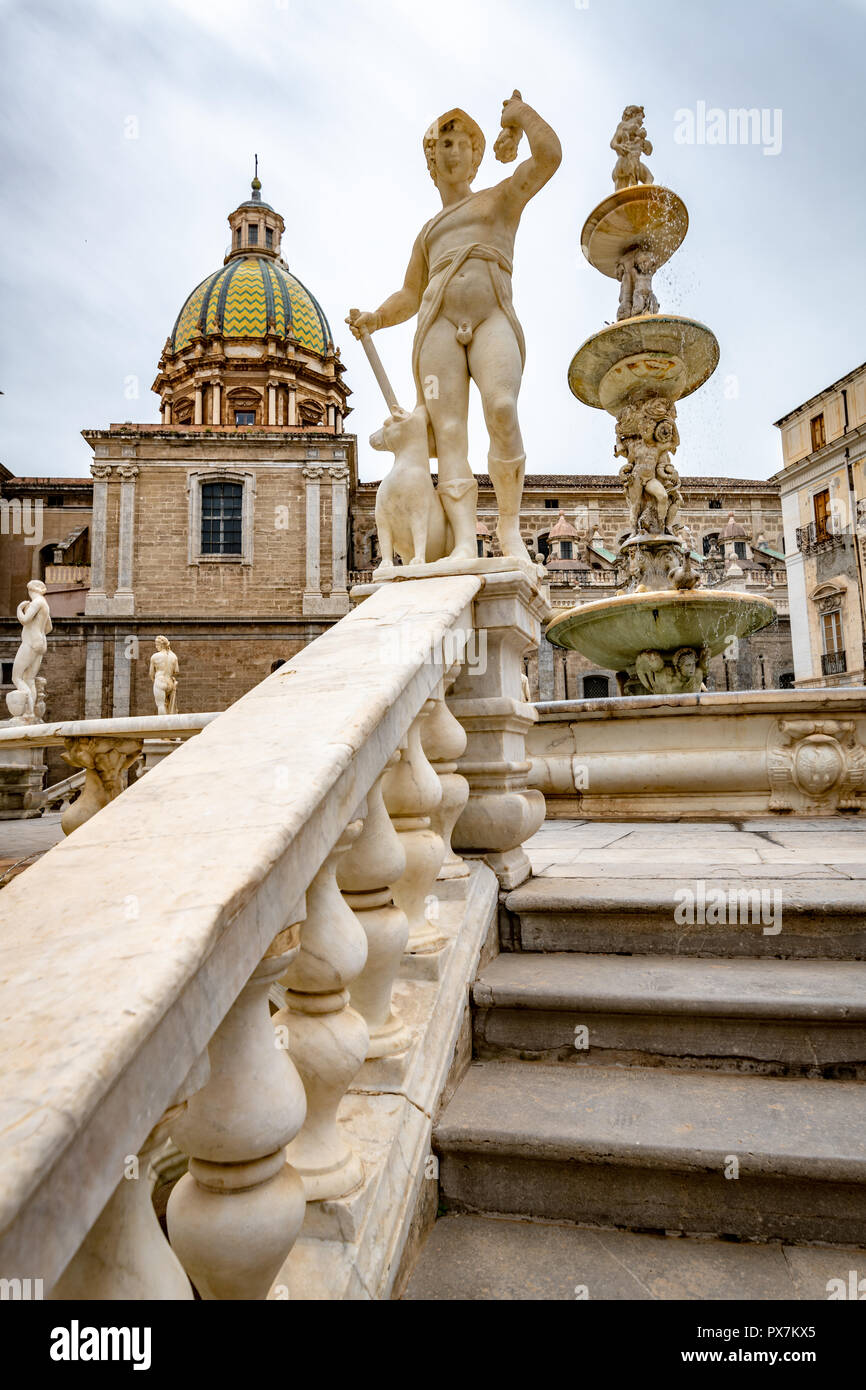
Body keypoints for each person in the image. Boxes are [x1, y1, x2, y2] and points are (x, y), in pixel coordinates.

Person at [348, 92, 561, 563]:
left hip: (492, 317)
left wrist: (520, 116)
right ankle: (465, 540)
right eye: (443, 143)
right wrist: (376, 318)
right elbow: (409, 293)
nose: (453, 151)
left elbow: (549, 157)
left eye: (463, 142)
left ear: (476, 155)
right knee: (447, 433)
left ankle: (508, 529)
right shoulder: (428, 232)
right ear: (432, 159)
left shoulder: (500, 199)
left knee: (502, 408)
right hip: (437, 324)